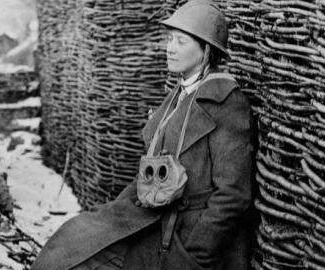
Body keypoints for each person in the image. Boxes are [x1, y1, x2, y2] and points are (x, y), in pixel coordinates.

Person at [31, 0, 254, 269]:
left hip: (187, 239)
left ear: (206, 50)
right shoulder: (178, 96)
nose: (169, 48)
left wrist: (195, 253)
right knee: (74, 240)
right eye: (169, 39)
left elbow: (233, 196)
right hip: (153, 218)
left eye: (181, 41)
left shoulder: (225, 102)